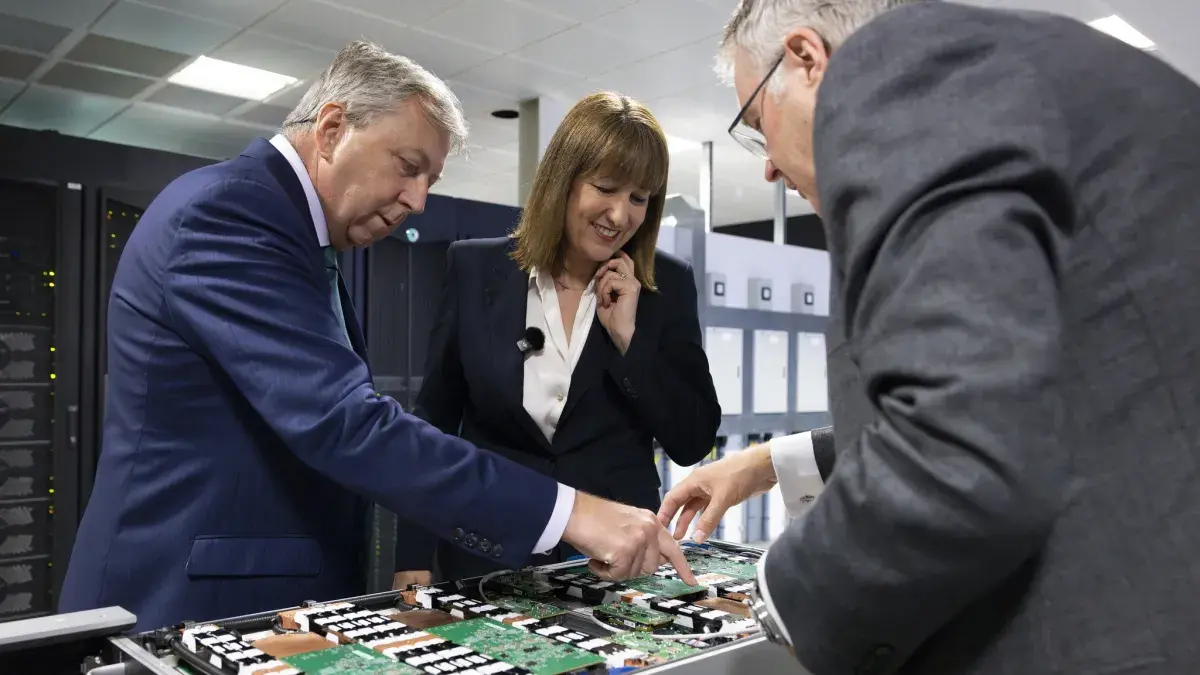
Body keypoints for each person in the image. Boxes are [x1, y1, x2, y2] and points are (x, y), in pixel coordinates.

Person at [59, 40, 693, 632]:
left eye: (430, 182)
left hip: (252, 589)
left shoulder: (300, 236)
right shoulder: (229, 216)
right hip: (188, 596)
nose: (417, 201)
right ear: (332, 129)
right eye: (408, 167)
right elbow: (349, 423)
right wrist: (572, 512)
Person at [660, 0, 1200, 673]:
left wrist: (783, 600)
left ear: (806, 59)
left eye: (754, 122)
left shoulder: (898, 71)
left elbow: (962, 451)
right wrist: (767, 462)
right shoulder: (1098, 82)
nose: (767, 165)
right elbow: (1038, 391)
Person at [393, 92, 722, 588]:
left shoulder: (664, 285)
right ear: (563, 180)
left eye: (639, 198)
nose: (619, 215)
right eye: (606, 188)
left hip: (617, 564)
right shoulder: (474, 267)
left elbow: (692, 438)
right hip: (488, 551)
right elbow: (435, 420)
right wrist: (411, 555)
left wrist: (630, 343)